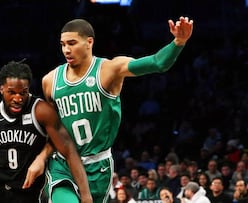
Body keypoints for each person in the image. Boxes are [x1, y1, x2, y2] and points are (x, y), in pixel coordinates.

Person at [41, 16, 193, 202]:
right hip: (63, 164)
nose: (66, 49)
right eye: (63, 44)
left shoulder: (109, 69)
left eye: (72, 43)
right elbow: (52, 129)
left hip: (98, 166)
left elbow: (157, 63)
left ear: (89, 42)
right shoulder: (50, 81)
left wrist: (178, 42)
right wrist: (40, 158)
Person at [0, 60, 92, 203]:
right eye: (11, 92)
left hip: (26, 189)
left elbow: (69, 149)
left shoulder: (41, 111)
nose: (18, 98)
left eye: (23, 93)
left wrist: (86, 195)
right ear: (1, 89)